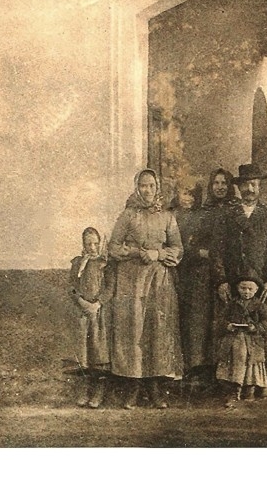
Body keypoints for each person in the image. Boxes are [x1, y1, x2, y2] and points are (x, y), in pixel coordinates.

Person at [107, 168, 183, 409]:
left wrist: (158, 253)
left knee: (157, 330)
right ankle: (133, 388)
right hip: (132, 281)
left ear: (157, 188)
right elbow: (113, 247)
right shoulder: (128, 215)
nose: (147, 190)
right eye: (143, 186)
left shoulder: (168, 217)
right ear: (136, 188)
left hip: (159, 282)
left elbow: (178, 249)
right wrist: (137, 252)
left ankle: (155, 388)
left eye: (151, 186)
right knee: (133, 331)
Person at [213, 163, 267, 382]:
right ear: (239, 188)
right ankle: (234, 380)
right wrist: (222, 281)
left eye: (255, 184)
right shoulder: (227, 216)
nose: (251, 189)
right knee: (234, 332)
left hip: (263, 285)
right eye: (246, 184)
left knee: (265, 328)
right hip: (236, 284)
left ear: (260, 187)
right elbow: (217, 251)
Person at [171, 177, 212, 392]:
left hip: (197, 276)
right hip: (174, 273)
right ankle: (179, 369)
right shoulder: (171, 216)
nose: (188, 198)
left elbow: (208, 249)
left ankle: (197, 369)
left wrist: (194, 252)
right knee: (176, 319)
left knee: (196, 322)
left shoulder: (203, 217)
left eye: (192, 194)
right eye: (184, 193)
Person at [214, 275, 267, 407]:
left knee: (250, 359)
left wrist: (255, 327)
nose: (246, 292)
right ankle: (234, 389)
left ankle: (250, 389)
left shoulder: (260, 306)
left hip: (253, 339)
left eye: (250, 289)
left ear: (256, 289)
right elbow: (220, 320)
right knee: (237, 351)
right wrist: (227, 325)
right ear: (237, 288)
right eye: (243, 288)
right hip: (234, 337)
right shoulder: (232, 304)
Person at [68, 226, 109, 408]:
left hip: (100, 315)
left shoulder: (105, 263)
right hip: (84, 314)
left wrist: (98, 303)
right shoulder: (78, 263)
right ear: (83, 245)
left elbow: (111, 287)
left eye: (95, 243)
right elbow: (71, 286)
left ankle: (98, 393)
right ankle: (84, 390)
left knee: (99, 353)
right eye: (88, 244)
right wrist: (82, 302)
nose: (92, 247)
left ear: (100, 244)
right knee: (84, 355)